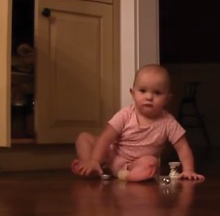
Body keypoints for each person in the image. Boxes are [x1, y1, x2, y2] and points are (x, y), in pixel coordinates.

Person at [71, 64, 205, 182]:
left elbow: (183, 147)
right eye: (142, 91)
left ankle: (127, 175)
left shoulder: (168, 122)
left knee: (151, 162)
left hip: (135, 164)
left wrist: (188, 170)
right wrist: (95, 159)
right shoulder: (125, 115)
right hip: (110, 156)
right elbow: (106, 138)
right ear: (133, 93)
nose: (149, 97)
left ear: (167, 99)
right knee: (83, 138)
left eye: (157, 93)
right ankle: (91, 166)